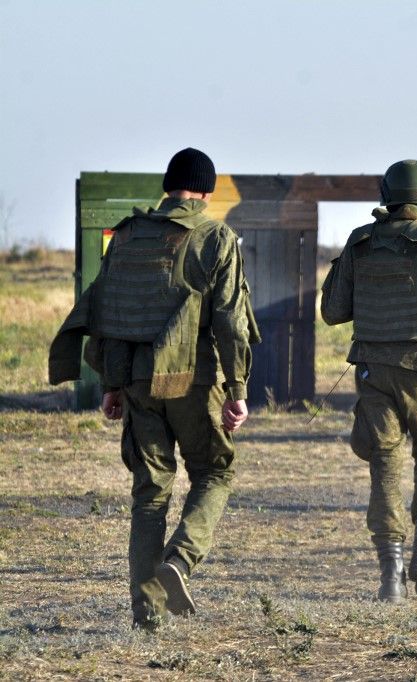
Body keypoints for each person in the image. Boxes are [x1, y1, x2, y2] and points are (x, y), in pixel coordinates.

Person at [49, 147, 260, 630]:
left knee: (149, 494)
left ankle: (147, 614)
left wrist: (111, 384)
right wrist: (237, 389)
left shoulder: (124, 237)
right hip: (194, 380)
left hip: (138, 382)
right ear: (206, 191)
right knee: (214, 473)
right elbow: (230, 321)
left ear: (168, 187)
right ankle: (179, 562)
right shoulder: (215, 236)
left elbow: (107, 311)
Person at [321, 160, 417, 602]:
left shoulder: (360, 241)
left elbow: (332, 311)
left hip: (373, 372)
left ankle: (390, 576)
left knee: (384, 466)